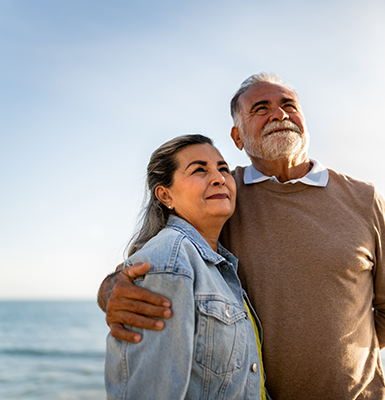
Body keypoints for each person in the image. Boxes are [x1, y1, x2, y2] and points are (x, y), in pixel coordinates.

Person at [99, 73, 385, 400]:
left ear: (304, 122)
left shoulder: (363, 199)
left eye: (288, 105)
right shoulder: (222, 197)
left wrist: (346, 360)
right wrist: (111, 288)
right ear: (237, 137)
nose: (279, 114)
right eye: (260, 108)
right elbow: (154, 259)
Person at [104, 134, 268, 400]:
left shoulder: (221, 266)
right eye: (199, 170)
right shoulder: (169, 259)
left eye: (223, 169)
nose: (219, 178)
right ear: (165, 195)